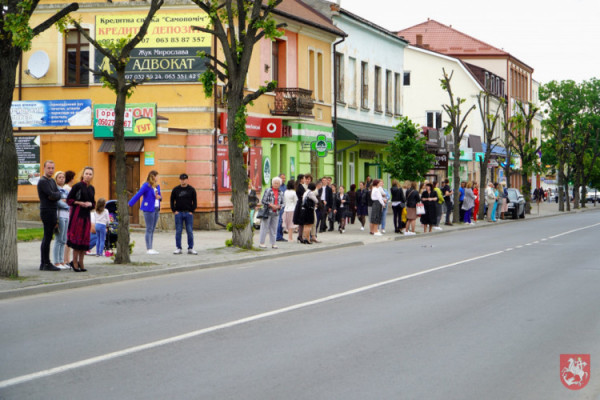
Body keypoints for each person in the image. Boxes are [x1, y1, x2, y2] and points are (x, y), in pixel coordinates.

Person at [66, 167, 96, 272]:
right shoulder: (77, 186)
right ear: (83, 175)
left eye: (90, 174)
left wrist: (90, 204)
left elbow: (94, 203)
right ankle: (74, 262)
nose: (88, 175)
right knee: (77, 239)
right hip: (77, 215)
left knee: (84, 239)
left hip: (86, 216)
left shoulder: (91, 188)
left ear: (92, 176)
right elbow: (69, 200)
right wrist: (79, 203)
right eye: (86, 173)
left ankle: (81, 262)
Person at [128, 170, 162, 254]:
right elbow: (138, 194)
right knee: (149, 228)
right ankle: (149, 248)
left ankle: (151, 247)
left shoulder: (157, 186)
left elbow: (160, 197)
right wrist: (130, 203)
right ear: (153, 176)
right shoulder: (146, 186)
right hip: (148, 209)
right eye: (157, 176)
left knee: (152, 229)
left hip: (156, 208)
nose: (158, 178)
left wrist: (159, 197)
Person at [37, 161, 62, 271]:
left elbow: (57, 194)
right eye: (49, 168)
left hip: (53, 210)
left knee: (48, 237)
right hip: (47, 211)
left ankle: (44, 263)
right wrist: (55, 195)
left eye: (52, 168)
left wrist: (55, 195)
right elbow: (51, 195)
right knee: (47, 238)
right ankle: (45, 263)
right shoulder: (42, 181)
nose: (51, 170)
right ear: (44, 168)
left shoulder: (52, 180)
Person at [170, 173, 198, 255]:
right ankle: (178, 248)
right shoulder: (176, 190)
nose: (183, 181)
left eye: (184, 179)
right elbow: (172, 200)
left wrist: (192, 211)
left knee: (189, 231)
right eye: (181, 179)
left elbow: (195, 201)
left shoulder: (191, 189)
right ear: (179, 180)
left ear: (187, 180)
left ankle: (190, 248)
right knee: (178, 231)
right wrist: (174, 210)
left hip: (188, 213)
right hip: (178, 213)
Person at [258, 177, 283, 249]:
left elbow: (283, 203)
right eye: (274, 183)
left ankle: (273, 243)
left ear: (279, 184)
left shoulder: (281, 192)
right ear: (272, 183)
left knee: (274, 229)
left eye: (277, 183)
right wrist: (271, 205)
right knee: (264, 228)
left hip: (276, 212)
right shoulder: (268, 190)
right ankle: (261, 243)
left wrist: (278, 206)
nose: (276, 184)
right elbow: (263, 201)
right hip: (268, 212)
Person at [52, 171, 70, 269]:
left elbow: (70, 201)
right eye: (59, 177)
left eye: (63, 177)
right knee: (58, 239)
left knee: (64, 239)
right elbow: (58, 203)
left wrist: (67, 203)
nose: (62, 179)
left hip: (67, 216)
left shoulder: (65, 190)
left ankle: (62, 261)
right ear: (56, 179)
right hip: (60, 216)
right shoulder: (56, 190)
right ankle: (56, 262)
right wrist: (67, 205)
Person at [63, 170, 76, 268]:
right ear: (71, 178)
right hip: (69, 213)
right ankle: (65, 259)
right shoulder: (67, 188)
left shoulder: (67, 188)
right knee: (68, 238)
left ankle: (67, 259)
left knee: (68, 238)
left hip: (69, 213)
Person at [292, 174, 306, 242]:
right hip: (301, 204)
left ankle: (300, 235)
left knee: (301, 221)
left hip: (299, 203)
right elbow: (303, 195)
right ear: (301, 179)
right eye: (303, 178)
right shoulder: (300, 187)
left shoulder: (299, 186)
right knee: (301, 221)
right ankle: (300, 236)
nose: (304, 180)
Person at [276, 173, 287, 242]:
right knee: (279, 221)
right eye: (282, 178)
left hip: (284, 206)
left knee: (282, 221)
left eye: (284, 178)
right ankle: (278, 236)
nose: (284, 179)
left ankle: (281, 236)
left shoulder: (285, 186)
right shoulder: (277, 186)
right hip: (278, 207)